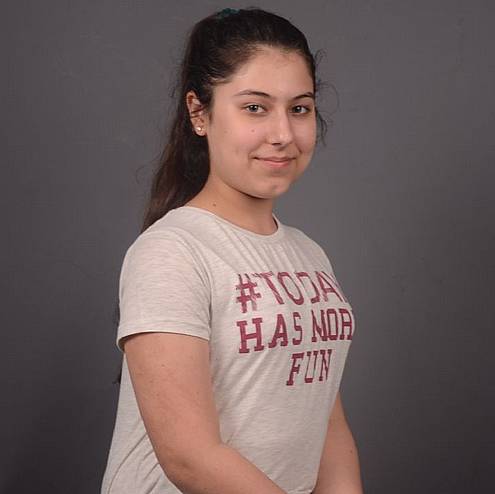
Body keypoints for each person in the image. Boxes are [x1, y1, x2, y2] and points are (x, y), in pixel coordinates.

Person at [101, 7, 363, 494]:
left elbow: (325, 425)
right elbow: (190, 456)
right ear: (199, 113)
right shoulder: (171, 252)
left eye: (299, 108)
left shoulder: (310, 256)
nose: (282, 134)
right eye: (255, 108)